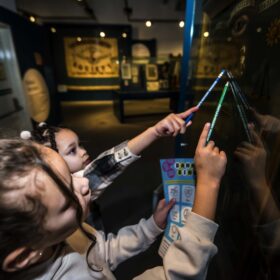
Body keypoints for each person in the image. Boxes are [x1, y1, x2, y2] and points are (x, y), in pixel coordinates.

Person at [0, 123, 227, 279]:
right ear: (24, 256)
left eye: (71, 176)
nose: (84, 183)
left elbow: (100, 253)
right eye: (68, 197)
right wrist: (208, 183)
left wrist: (152, 226)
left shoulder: (58, 235)